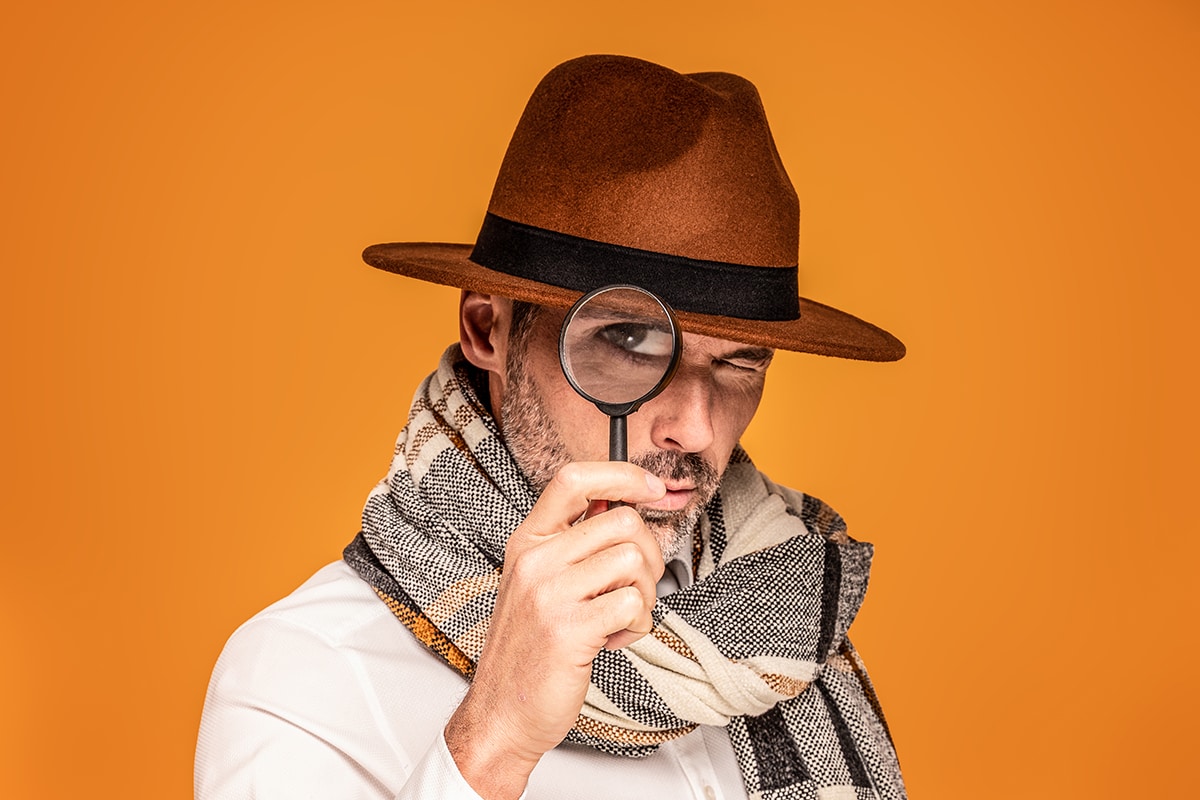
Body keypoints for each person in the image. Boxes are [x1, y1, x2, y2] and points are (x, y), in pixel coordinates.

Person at [196, 54, 908, 800]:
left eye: (740, 363)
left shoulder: (785, 615)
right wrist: (493, 738)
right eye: (630, 342)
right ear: (487, 329)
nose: (696, 430)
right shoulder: (306, 676)